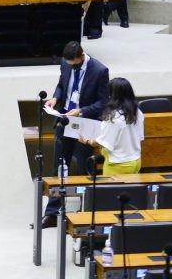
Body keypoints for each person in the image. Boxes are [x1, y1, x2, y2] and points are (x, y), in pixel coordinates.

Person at [41, 41, 109, 228]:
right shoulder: (65, 63)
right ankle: (52, 213)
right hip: (65, 120)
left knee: (82, 169)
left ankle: (83, 215)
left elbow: (103, 103)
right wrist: (56, 98)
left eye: (74, 63)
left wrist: (81, 111)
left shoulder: (100, 71)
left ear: (81, 56)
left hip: (84, 124)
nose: (71, 66)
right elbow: (62, 85)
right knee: (59, 167)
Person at [79, 77, 144, 175]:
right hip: (136, 161)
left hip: (118, 165)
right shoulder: (137, 112)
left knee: (111, 190)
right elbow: (139, 137)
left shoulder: (113, 117)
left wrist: (87, 141)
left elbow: (103, 142)